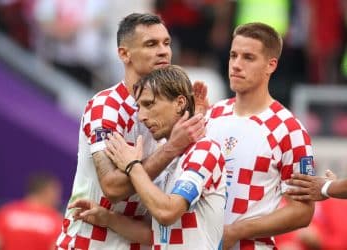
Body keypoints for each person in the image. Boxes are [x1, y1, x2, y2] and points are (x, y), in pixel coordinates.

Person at [55, 13, 205, 249]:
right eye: (151, 44)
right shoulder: (106, 107)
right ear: (124, 54)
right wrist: (172, 146)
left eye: (166, 43)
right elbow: (113, 188)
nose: (163, 51)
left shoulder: (168, 113)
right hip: (90, 244)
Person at [69, 65, 226, 249]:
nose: (141, 116)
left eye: (149, 104)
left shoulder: (204, 150)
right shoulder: (169, 162)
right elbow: (155, 234)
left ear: (180, 103)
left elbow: (167, 212)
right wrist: (107, 218)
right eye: (139, 107)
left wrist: (132, 166)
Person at [203, 22, 315, 249]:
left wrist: (237, 231)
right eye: (233, 55)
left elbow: (302, 211)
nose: (236, 65)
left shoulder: (289, 129)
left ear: (270, 65)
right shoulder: (211, 115)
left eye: (248, 58)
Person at [0, 172, 63, 250]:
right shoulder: (56, 220)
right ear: (46, 192)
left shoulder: (6, 212)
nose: (58, 200)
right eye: (56, 194)